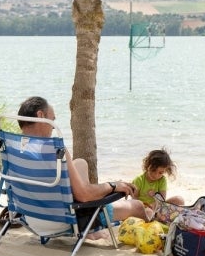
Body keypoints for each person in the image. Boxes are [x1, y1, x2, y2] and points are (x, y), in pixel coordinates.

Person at [14, 96, 148, 223]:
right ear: (41, 116)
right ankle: (91, 225)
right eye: (52, 119)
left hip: (31, 217)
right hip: (64, 219)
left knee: (80, 163)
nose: (54, 126)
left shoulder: (13, 148)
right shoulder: (55, 150)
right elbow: (84, 195)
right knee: (137, 206)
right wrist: (113, 185)